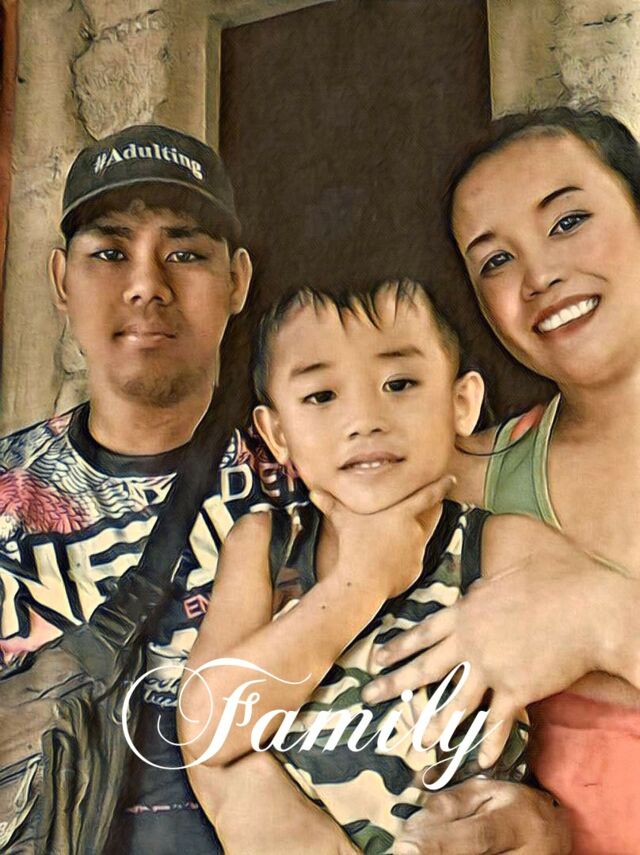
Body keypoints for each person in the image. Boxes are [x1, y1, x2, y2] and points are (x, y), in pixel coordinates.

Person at [0, 124, 567, 854]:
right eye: (109, 253)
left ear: (237, 279)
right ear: (60, 281)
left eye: (185, 252)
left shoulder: (331, 481)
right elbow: (210, 724)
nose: (146, 284)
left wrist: (546, 821)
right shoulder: (16, 496)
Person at [178, 280, 581, 854]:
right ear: (277, 434)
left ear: (461, 403)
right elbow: (205, 728)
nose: (365, 419)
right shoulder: (266, 546)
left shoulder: (501, 547)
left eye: (399, 383)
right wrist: (358, 585)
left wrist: (548, 822)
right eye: (321, 395)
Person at [361, 108, 640, 854]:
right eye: (495, 261)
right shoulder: (471, 482)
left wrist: (603, 619)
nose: (539, 276)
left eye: (568, 221)